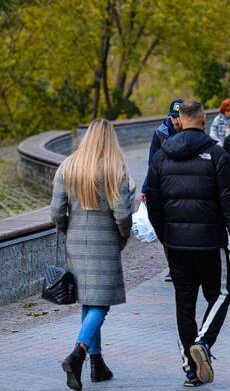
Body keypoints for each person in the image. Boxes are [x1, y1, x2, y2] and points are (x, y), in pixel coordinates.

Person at [145, 100, 230, 387]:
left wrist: (166, 236)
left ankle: (190, 371)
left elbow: (153, 203)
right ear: (203, 119)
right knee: (222, 294)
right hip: (211, 244)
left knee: (184, 304)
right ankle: (203, 342)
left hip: (176, 245)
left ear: (179, 120)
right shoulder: (217, 155)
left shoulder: (161, 157)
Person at [50, 119, 134, 391]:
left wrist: (68, 230)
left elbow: (56, 211)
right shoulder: (115, 169)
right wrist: (122, 237)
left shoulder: (68, 166)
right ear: (110, 140)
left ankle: (97, 365)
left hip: (76, 242)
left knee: (90, 300)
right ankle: (78, 354)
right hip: (105, 241)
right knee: (101, 303)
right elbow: (123, 214)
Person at [141, 99, 183, 282]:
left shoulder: (192, 132)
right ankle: (173, 267)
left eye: (179, 117)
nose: (176, 121)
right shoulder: (160, 134)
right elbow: (152, 164)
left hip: (184, 187)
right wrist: (146, 188)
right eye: (173, 117)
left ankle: (184, 266)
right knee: (167, 230)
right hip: (165, 188)